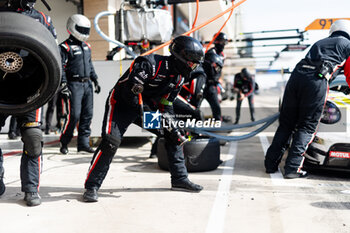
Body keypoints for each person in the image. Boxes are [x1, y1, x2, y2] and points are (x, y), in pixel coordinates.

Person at [83, 35, 204, 202]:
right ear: (180, 58)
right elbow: (130, 95)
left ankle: (180, 179)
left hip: (145, 108)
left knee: (172, 134)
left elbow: (166, 103)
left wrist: (170, 124)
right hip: (121, 104)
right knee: (111, 142)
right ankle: (91, 186)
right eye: (191, 63)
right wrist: (149, 114)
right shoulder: (149, 64)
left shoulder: (179, 78)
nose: (193, 67)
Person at [264, 19, 350, 179]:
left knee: (286, 125)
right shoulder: (347, 46)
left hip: (296, 78)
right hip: (316, 81)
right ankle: (292, 168)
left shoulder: (320, 42)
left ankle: (270, 165)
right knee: (307, 127)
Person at [0, 0, 57, 206]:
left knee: (33, 139)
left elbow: (55, 53)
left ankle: (31, 189)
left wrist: (63, 83)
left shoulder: (42, 19)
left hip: (30, 89)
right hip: (1, 87)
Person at [59, 14, 101, 155]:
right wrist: (63, 84)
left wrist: (95, 79)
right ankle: (64, 142)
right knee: (74, 115)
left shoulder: (87, 46)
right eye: (81, 29)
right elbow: (61, 68)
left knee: (87, 115)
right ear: (72, 27)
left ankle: (83, 144)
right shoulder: (64, 47)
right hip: (73, 85)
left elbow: (90, 64)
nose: (84, 32)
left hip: (87, 84)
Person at [204, 32, 228, 121]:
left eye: (224, 42)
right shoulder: (209, 53)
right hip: (204, 83)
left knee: (216, 106)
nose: (223, 44)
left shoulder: (223, 56)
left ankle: (217, 123)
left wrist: (219, 79)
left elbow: (219, 70)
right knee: (195, 105)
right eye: (221, 41)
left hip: (213, 85)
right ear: (216, 41)